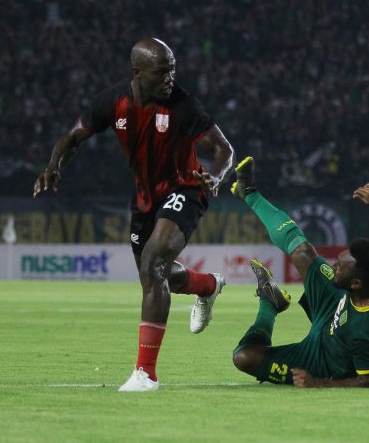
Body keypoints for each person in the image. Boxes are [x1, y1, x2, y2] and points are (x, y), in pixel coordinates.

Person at [33, 38, 235, 391]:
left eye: (172, 70)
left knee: (153, 262)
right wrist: (54, 165)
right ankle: (209, 284)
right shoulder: (114, 102)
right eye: (162, 72)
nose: (170, 78)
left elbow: (223, 148)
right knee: (154, 272)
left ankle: (146, 374)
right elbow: (73, 137)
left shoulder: (183, 105)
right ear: (138, 73)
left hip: (186, 189)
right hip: (144, 200)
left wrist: (215, 177)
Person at [230, 157, 369, 388]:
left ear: (356, 283)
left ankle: (269, 305)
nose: (333, 266)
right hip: (337, 302)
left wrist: (318, 382)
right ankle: (249, 191)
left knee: (244, 357)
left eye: (340, 268)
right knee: (303, 251)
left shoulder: (366, 329)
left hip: (323, 359)